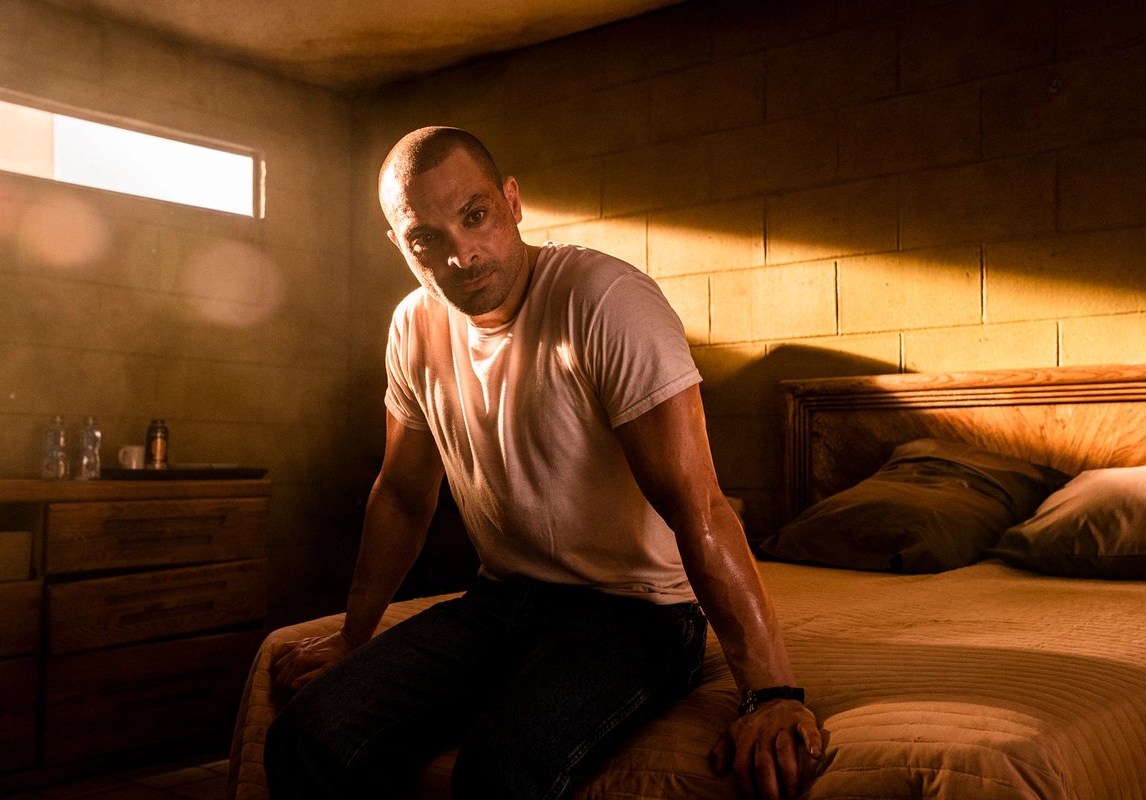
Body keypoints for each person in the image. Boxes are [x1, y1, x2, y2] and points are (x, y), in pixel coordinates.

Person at [265, 126, 822, 800]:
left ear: (512, 201)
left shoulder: (607, 300)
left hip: (638, 611)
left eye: (475, 216)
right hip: (503, 601)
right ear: (400, 246)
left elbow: (696, 504)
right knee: (307, 733)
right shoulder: (414, 326)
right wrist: (355, 635)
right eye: (427, 240)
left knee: (496, 769)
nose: (462, 254)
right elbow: (403, 496)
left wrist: (771, 692)